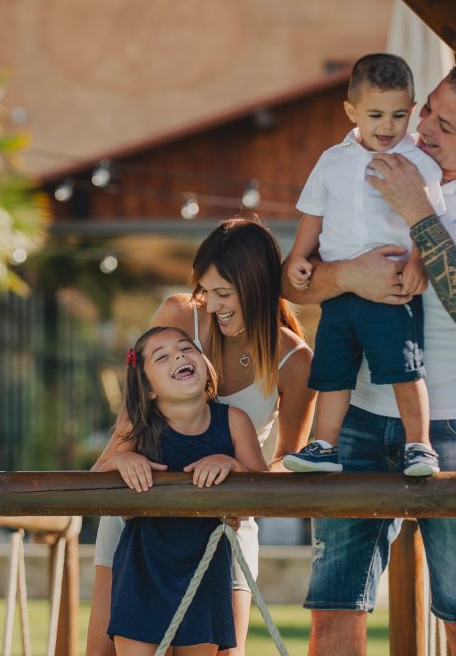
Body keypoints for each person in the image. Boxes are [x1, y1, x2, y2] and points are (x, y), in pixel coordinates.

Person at [286, 57, 456, 656]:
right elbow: (294, 284)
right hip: (357, 417)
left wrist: (419, 212)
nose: (423, 126)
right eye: (427, 107)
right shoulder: (366, 157)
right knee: (333, 612)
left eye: (445, 125)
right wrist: (346, 274)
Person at [87, 217, 316, 656]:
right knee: (104, 649)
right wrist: (109, 466)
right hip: (140, 516)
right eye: (206, 291)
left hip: (223, 525)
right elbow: (129, 422)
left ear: (257, 286)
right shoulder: (179, 318)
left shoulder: (295, 361)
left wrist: (238, 472)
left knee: (225, 649)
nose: (211, 305)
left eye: (224, 294)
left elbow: (291, 459)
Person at [282, 53, 445, 477]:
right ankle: (324, 446)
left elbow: (428, 220)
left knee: (403, 369)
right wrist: (300, 256)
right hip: (339, 290)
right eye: (375, 115)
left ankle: (419, 444)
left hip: (392, 287)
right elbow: (313, 214)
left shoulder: (419, 162)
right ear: (351, 111)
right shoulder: (332, 160)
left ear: (412, 110)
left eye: (398, 115)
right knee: (332, 371)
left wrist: (418, 262)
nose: (387, 126)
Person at [101, 326, 268, 655]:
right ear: (147, 388)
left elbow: (265, 488)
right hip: (143, 569)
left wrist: (233, 466)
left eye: (186, 348)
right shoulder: (138, 424)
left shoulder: (234, 421)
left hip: (206, 568)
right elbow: (96, 473)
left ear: (204, 364)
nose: (178, 355)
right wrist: (123, 459)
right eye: (162, 357)